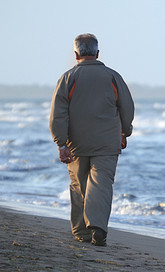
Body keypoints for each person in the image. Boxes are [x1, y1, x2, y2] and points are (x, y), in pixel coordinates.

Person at [49, 33, 134, 246]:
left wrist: (61, 143)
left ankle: (81, 232)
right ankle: (97, 226)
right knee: (101, 183)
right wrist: (125, 131)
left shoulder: (68, 78)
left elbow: (57, 114)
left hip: (76, 144)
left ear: (76, 54)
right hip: (107, 143)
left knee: (79, 185)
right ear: (97, 53)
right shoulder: (113, 77)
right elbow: (127, 108)